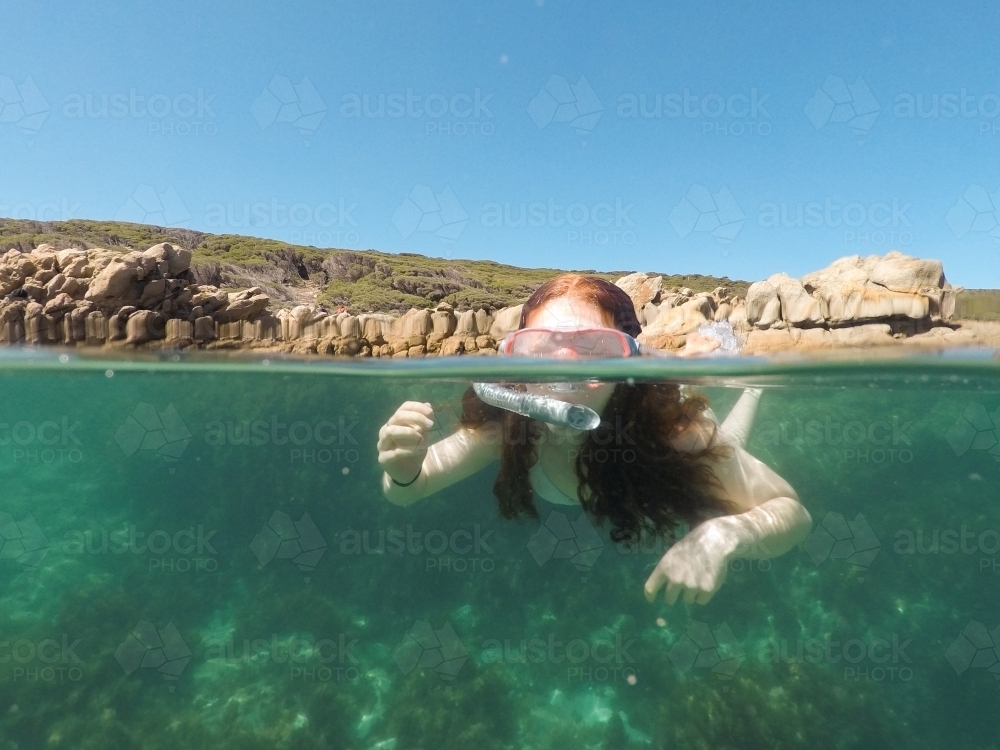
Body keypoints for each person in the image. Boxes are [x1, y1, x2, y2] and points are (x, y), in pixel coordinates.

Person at [377, 274, 812, 605]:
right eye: (541, 346)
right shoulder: (507, 428)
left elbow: (792, 513)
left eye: (594, 346)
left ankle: (744, 381)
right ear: (517, 361)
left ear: (626, 363)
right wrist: (403, 470)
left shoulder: (673, 431)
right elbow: (409, 491)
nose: (564, 366)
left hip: (669, 411)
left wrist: (725, 535)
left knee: (724, 447)